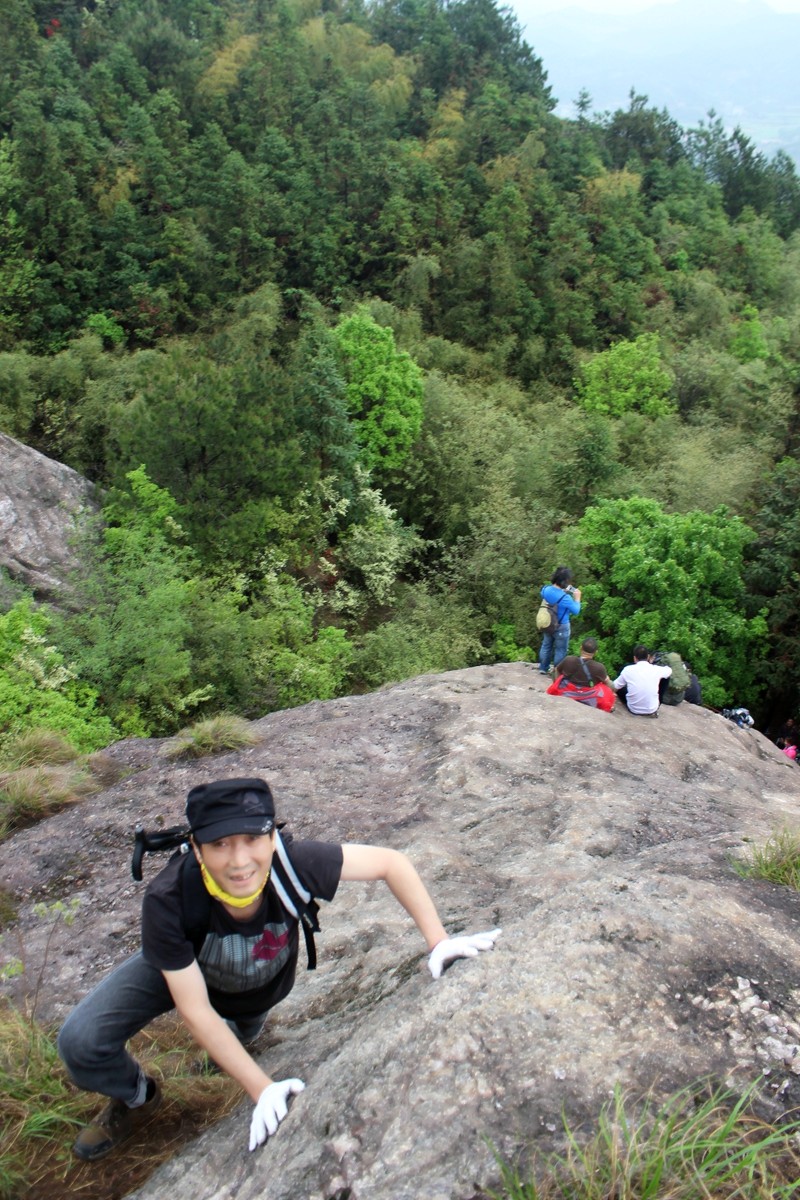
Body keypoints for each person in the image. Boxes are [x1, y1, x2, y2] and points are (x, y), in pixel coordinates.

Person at [58, 777, 501, 1162]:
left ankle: (228, 1050)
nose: (239, 860)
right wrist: (261, 1088)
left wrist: (439, 941)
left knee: (240, 1034)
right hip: (179, 971)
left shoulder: (295, 864)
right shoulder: (170, 898)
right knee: (81, 1041)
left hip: (258, 988)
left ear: (272, 837)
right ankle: (137, 1097)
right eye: (219, 844)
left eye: (252, 839)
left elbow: (391, 864)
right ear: (195, 848)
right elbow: (194, 1009)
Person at [538, 566, 582, 676]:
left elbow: (546, 595)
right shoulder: (565, 598)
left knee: (546, 645)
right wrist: (577, 598)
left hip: (548, 622)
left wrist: (561, 590)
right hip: (561, 626)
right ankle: (557, 673)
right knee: (560, 650)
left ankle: (543, 668)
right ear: (565, 581)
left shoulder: (546, 589)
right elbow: (576, 610)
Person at [612, 644, 672, 717]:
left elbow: (615, 686)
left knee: (621, 687)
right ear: (648, 657)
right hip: (652, 709)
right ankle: (658, 702)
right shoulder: (656, 669)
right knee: (665, 677)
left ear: (634, 658)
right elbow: (669, 671)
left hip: (634, 709)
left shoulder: (628, 669)